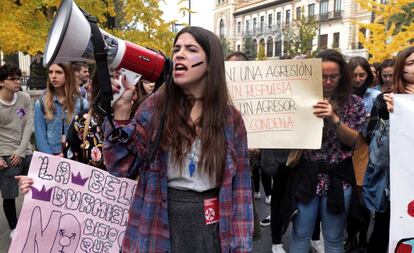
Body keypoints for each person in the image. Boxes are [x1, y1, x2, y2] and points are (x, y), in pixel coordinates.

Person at [103, 26, 253, 252]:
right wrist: (122, 111)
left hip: (211, 228)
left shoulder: (231, 120)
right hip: (158, 222)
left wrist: (240, 245)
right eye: (176, 49)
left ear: (211, 63)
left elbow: (241, 189)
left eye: (191, 49)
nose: (180, 54)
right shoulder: (154, 108)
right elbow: (120, 166)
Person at [283, 49, 366, 253]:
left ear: (342, 76)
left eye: (333, 76)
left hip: (339, 177)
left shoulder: (354, 103)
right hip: (307, 174)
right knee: (301, 234)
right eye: (322, 76)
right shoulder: (301, 100)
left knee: (333, 238)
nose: (328, 82)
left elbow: (354, 140)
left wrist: (334, 118)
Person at [364, 46, 414, 252]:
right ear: (401, 69)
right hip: (396, 187)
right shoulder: (385, 101)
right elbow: (378, 158)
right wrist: (392, 118)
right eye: (411, 63)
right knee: (387, 233)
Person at [345, 56, 380, 252]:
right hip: (345, 150)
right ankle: (350, 237)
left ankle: (362, 240)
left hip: (366, 150)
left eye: (362, 75)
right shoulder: (341, 96)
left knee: (363, 199)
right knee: (346, 200)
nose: (357, 79)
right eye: (354, 75)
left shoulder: (375, 96)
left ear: (367, 76)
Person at [0, 64, 33, 239]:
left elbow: (29, 125)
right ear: (1, 82)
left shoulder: (24, 98)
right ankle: (14, 229)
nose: (17, 82)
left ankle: (35, 222)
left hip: (25, 151)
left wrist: (21, 151)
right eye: (12, 79)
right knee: (10, 194)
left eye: (18, 79)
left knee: (37, 187)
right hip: (4, 153)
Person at [34, 63, 88, 155]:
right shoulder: (41, 103)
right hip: (51, 156)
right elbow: (40, 137)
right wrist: (52, 158)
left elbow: (85, 135)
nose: (53, 76)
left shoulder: (82, 103)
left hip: (75, 156)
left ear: (68, 75)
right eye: (50, 72)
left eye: (59, 72)